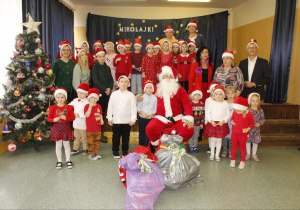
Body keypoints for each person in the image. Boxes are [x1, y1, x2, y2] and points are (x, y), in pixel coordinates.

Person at [145, 66, 194, 146]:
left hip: (177, 118)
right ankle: (158, 143)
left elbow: (187, 104)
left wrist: (189, 119)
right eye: (166, 75)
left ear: (174, 77)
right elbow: (147, 97)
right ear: (162, 76)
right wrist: (139, 98)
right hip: (161, 118)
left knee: (189, 130)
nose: (168, 78)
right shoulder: (156, 88)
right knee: (149, 129)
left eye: (170, 76)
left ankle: (175, 142)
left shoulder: (180, 89)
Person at [107, 76, 137, 158]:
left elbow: (133, 108)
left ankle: (124, 150)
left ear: (128, 84)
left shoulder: (131, 95)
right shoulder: (114, 94)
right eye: (121, 81)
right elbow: (110, 107)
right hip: (116, 120)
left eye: (125, 82)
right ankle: (115, 150)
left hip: (127, 121)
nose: (123, 83)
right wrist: (110, 118)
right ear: (118, 83)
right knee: (115, 137)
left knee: (126, 137)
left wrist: (133, 119)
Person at [90, 48, 114, 143]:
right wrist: (105, 89)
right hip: (99, 94)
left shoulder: (107, 67)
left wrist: (109, 89)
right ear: (96, 58)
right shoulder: (95, 68)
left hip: (107, 94)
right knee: (97, 114)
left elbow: (111, 80)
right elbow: (96, 81)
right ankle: (96, 134)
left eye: (103, 56)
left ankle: (101, 133)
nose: (102, 58)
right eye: (99, 57)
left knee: (103, 114)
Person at [47, 88, 75, 169]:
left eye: (62, 97)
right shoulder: (52, 108)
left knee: (66, 145)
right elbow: (49, 119)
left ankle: (68, 160)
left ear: (65, 98)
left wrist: (66, 118)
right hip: (57, 129)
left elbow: (73, 117)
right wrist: (53, 120)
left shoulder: (69, 107)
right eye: (58, 97)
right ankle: (59, 161)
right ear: (55, 98)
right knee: (58, 145)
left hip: (66, 128)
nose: (60, 99)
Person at [204, 85, 230, 161]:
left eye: (220, 94)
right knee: (213, 140)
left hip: (221, 123)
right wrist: (211, 121)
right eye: (216, 94)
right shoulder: (211, 103)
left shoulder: (225, 103)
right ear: (214, 95)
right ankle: (212, 154)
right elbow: (207, 113)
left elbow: (228, 114)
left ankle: (217, 154)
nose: (218, 96)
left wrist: (224, 121)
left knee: (219, 140)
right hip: (213, 123)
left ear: (223, 95)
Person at [230, 97, 255, 169]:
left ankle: (242, 161)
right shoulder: (235, 112)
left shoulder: (249, 114)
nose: (237, 112)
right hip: (234, 133)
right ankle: (233, 160)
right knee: (234, 147)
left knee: (242, 148)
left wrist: (248, 129)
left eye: (239, 111)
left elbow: (252, 124)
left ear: (244, 109)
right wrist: (232, 122)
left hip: (243, 135)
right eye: (236, 110)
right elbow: (232, 119)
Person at [69, 83, 89, 156]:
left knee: (84, 137)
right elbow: (69, 106)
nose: (79, 94)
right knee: (76, 137)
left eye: (82, 93)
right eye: (78, 93)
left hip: (83, 123)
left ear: (86, 94)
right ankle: (75, 149)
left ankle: (85, 149)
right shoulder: (75, 100)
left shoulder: (87, 102)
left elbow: (88, 113)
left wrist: (80, 115)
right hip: (76, 123)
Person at [84, 88, 104, 160]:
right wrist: (90, 106)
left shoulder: (99, 106)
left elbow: (100, 114)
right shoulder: (87, 106)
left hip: (97, 127)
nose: (93, 99)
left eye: (95, 97)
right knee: (90, 141)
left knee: (97, 140)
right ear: (89, 98)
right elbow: (87, 115)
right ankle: (91, 153)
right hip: (90, 128)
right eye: (91, 97)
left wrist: (101, 120)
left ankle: (96, 152)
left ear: (97, 99)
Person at [137, 81, 157, 147]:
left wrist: (152, 114)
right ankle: (141, 147)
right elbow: (138, 107)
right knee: (142, 133)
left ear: (153, 89)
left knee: (149, 133)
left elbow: (155, 108)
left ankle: (148, 147)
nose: (149, 89)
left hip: (150, 118)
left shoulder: (155, 98)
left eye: (150, 88)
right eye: (147, 87)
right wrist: (142, 113)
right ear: (145, 89)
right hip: (142, 118)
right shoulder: (141, 97)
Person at [246, 92, 265, 162]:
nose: (254, 103)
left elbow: (262, 119)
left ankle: (254, 154)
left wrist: (259, 123)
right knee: (247, 141)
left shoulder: (260, 110)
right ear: (250, 101)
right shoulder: (247, 110)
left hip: (256, 130)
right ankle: (248, 153)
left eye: (256, 101)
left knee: (255, 142)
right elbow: (244, 118)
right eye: (253, 101)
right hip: (248, 129)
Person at [221, 86, 237, 158]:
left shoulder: (236, 103)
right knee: (225, 137)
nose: (230, 95)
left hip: (233, 124)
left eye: (232, 93)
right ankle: (224, 150)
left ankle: (231, 151)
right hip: (225, 122)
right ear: (225, 94)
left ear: (235, 94)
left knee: (232, 138)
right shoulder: (224, 103)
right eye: (228, 93)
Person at [189, 86, 205, 153]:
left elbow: (203, 115)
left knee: (196, 135)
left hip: (198, 124)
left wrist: (202, 123)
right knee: (191, 135)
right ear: (192, 96)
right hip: (191, 124)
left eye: (199, 95)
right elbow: (186, 114)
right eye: (195, 94)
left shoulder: (201, 104)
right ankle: (191, 146)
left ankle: (195, 146)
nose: (197, 96)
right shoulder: (189, 104)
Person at [204, 81, 219, 153]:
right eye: (212, 90)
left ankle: (216, 147)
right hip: (210, 120)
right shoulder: (208, 100)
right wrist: (206, 121)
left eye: (215, 89)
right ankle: (210, 146)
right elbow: (206, 111)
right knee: (210, 135)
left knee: (217, 134)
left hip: (218, 120)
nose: (214, 91)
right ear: (210, 91)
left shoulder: (220, 100)